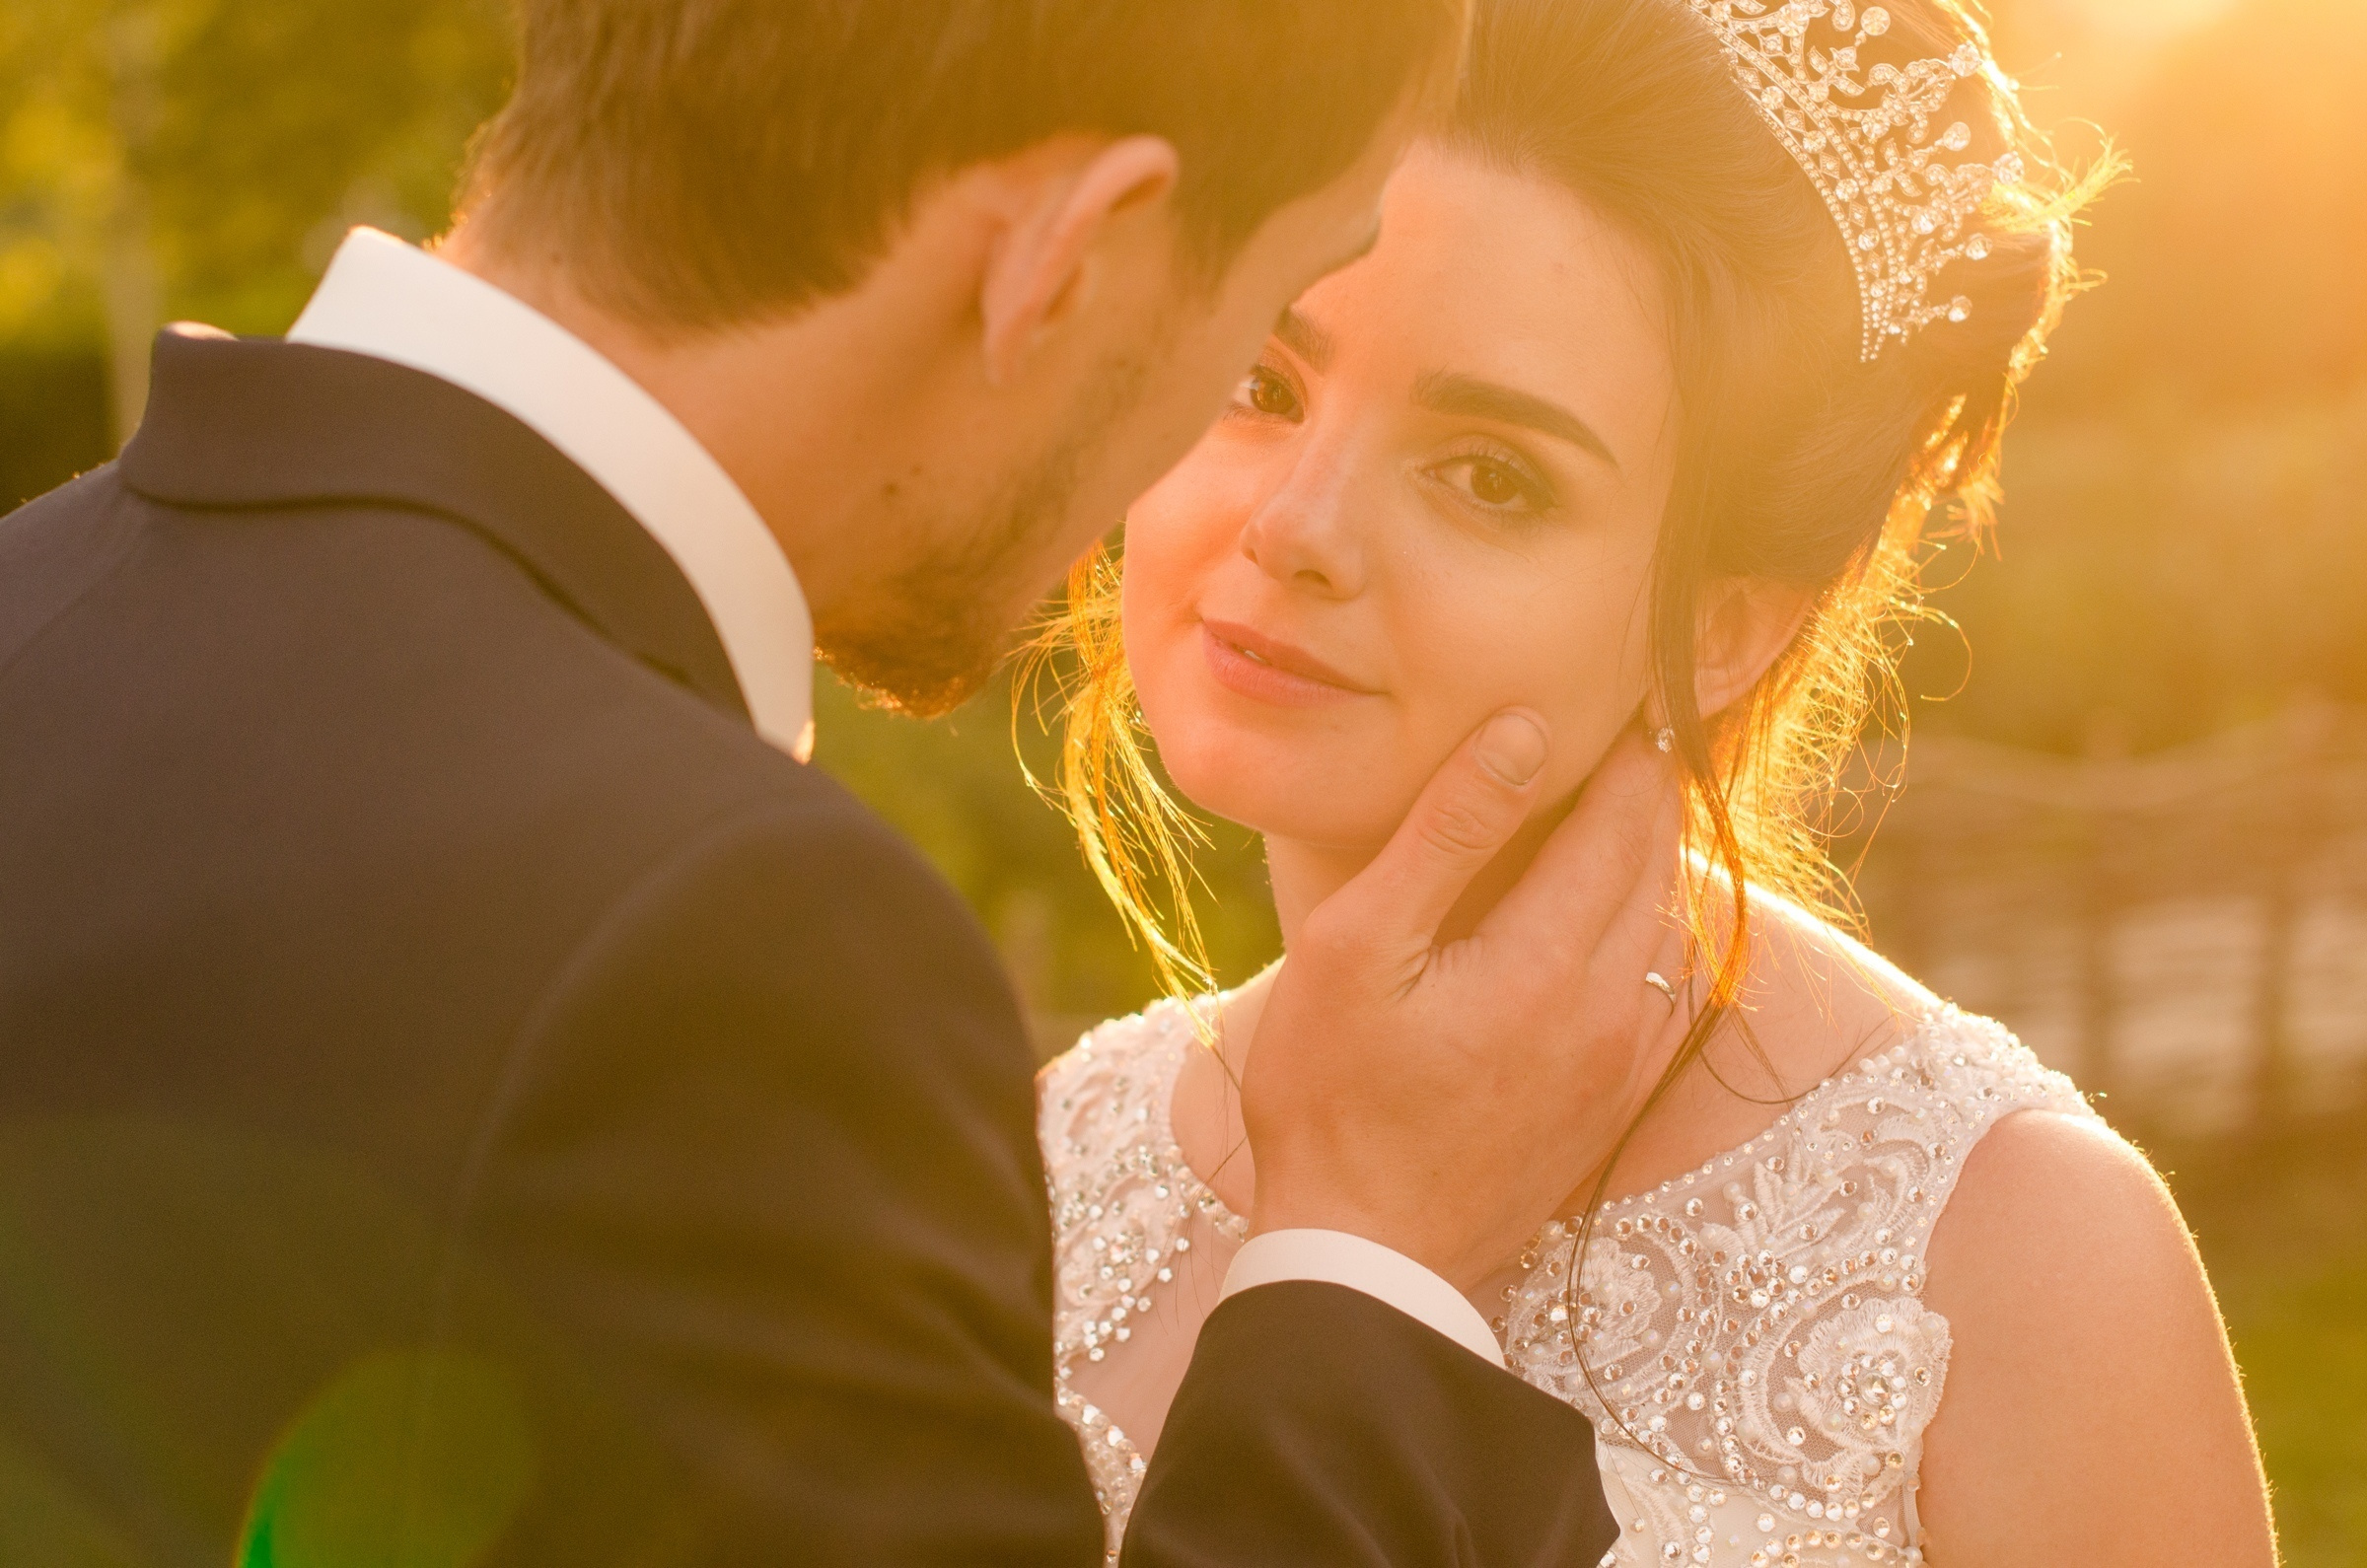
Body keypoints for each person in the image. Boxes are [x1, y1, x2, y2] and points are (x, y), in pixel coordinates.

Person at [0, 1, 1689, 1562]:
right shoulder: (731, 944)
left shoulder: (35, 608)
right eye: (1256, 333)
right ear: (1067, 253)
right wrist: (1368, 1261)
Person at [1035, 0, 2282, 1563]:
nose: (1298, 523)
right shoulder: (1051, 1163)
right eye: (1266, 382)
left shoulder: (2017, 1254)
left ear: (1720, 630)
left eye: (1490, 474)